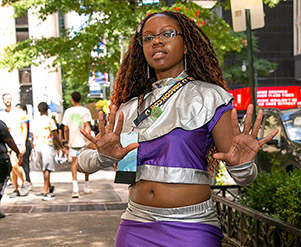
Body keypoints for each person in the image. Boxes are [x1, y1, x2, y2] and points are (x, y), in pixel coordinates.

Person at [78, 11, 278, 246]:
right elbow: (83, 163)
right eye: (148, 38)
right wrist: (102, 156)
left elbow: (243, 178)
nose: (157, 41)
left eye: (167, 34)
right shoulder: (129, 107)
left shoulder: (210, 97)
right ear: (141, 49)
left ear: (185, 45)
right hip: (135, 225)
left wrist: (243, 165)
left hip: (192, 227)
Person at [31, 102, 65, 201]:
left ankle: (49, 187)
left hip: (37, 145)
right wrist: (61, 146)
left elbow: (32, 135)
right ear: (47, 110)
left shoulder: (34, 121)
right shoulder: (50, 121)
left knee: (43, 168)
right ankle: (45, 191)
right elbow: (55, 134)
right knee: (47, 169)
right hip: (47, 145)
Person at [62, 91, 93, 198]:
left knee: (74, 164)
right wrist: (88, 139)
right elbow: (87, 125)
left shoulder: (67, 111)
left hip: (72, 141)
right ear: (80, 98)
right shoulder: (85, 111)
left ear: (72, 99)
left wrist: (66, 141)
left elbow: (65, 128)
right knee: (86, 163)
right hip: (83, 141)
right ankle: (86, 186)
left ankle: (75, 188)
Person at [0, 93, 28, 198]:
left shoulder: (19, 112)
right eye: (6, 99)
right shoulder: (2, 114)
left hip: (17, 142)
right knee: (11, 168)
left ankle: (24, 182)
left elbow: (24, 127)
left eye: (9, 99)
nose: (8, 101)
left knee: (14, 165)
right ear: (3, 101)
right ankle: (16, 188)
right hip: (6, 144)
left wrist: (23, 143)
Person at [0, 119, 23, 218]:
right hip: (1, 158)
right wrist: (17, 151)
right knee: (1, 183)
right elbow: (9, 140)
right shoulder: (1, 124)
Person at [15, 104, 33, 191]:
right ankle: (21, 181)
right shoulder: (15, 118)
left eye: (19, 109)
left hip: (24, 143)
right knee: (17, 164)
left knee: (25, 163)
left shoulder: (24, 118)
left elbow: (26, 131)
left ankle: (27, 181)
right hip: (17, 143)